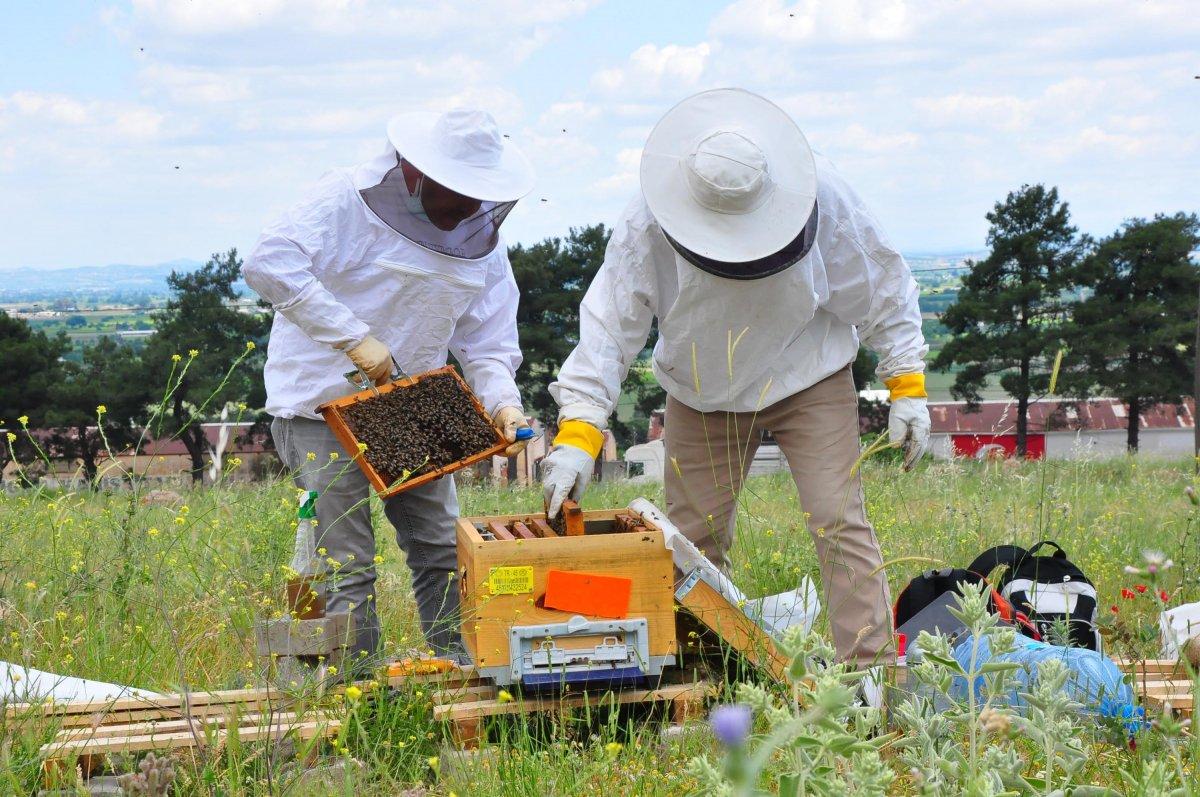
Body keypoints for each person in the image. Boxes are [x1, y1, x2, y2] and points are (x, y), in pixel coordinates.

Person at [541, 88, 929, 670]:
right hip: (703, 390)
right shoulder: (646, 220)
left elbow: (881, 282)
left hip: (809, 374)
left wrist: (907, 383)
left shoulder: (827, 196)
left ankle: (871, 676)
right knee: (693, 541)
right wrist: (577, 435)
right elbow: (608, 326)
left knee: (837, 517)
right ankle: (706, 673)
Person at [244, 108, 535, 665]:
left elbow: (489, 339)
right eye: (459, 191)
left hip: (409, 403)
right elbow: (269, 262)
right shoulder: (341, 200)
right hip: (319, 405)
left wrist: (503, 401)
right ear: (412, 171)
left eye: (480, 194)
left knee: (443, 549)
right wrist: (352, 339)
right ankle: (354, 692)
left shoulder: (484, 241)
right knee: (345, 560)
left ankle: (462, 670)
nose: (469, 208)